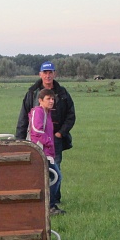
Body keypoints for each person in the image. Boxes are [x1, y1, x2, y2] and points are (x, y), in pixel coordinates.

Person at [15, 62, 75, 215]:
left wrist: (60, 133)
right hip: (40, 142)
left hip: (56, 138)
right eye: (45, 72)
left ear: (54, 74)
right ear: (40, 74)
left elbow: (71, 115)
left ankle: (53, 200)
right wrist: (19, 140)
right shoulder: (32, 93)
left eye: (50, 72)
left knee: (55, 169)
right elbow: (25, 119)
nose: (48, 75)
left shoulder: (62, 92)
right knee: (43, 172)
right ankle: (43, 202)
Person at [27, 88, 61, 211]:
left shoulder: (47, 113)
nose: (51, 101)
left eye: (52, 99)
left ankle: (45, 205)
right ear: (40, 100)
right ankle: (49, 206)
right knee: (56, 177)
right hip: (41, 151)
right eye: (48, 99)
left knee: (49, 178)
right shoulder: (38, 112)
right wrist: (49, 141)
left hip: (46, 152)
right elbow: (36, 130)